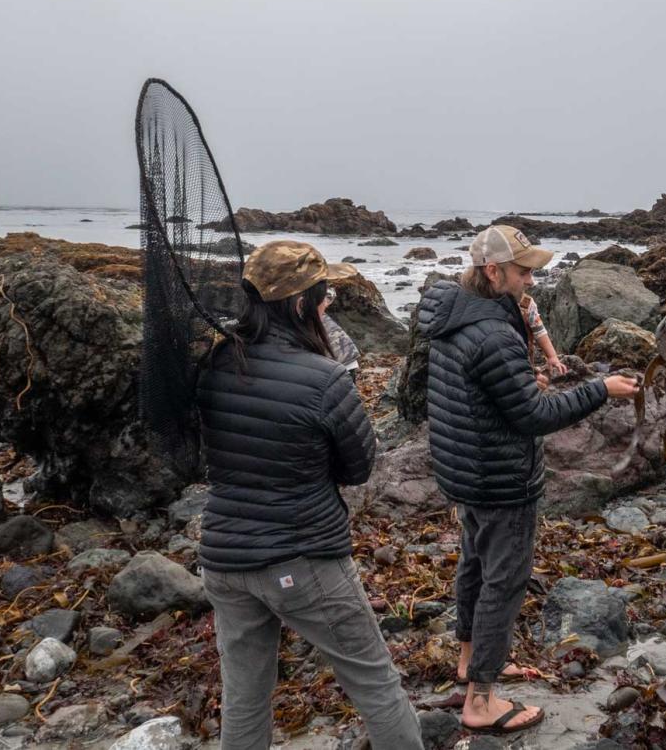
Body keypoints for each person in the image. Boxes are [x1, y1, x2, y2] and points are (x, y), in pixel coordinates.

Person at [196, 240, 423, 750]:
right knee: (375, 682)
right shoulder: (325, 379)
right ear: (301, 304)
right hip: (302, 559)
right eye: (323, 297)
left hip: (224, 560)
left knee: (245, 696)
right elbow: (360, 467)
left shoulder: (213, 365)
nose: (327, 305)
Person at [418, 225, 639, 734]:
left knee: (474, 564)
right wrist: (600, 389)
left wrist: (521, 382)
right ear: (492, 271)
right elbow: (536, 417)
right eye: (522, 272)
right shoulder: (494, 331)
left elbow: (480, 392)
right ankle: (481, 699)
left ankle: (469, 659)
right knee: (504, 580)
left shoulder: (455, 312)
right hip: (500, 477)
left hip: (463, 469)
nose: (531, 281)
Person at [519, 293, 568, 376]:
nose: (530, 283)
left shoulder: (526, 303)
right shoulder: (490, 303)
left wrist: (552, 356)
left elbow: (539, 331)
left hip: (524, 361)